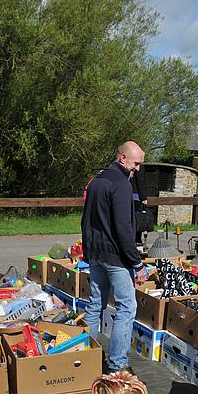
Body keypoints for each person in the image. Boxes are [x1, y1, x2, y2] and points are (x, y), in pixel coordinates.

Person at [81, 141, 147, 374]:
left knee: (95, 305)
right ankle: (118, 366)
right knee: (126, 308)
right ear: (122, 158)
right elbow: (124, 229)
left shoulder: (97, 181)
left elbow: (86, 220)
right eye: (136, 163)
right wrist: (136, 262)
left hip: (96, 253)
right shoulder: (121, 185)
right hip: (115, 256)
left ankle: (82, 358)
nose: (138, 169)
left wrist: (88, 252)